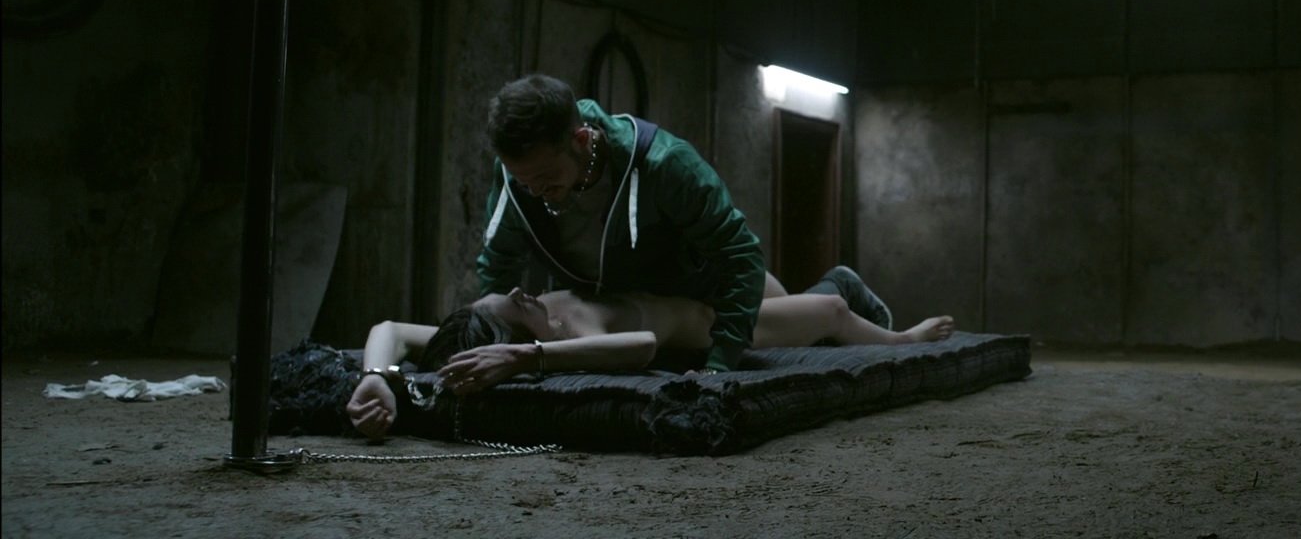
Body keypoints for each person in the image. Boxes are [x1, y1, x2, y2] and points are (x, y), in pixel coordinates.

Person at [470, 73, 891, 374]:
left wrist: (719, 364)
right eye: (524, 181)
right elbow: (498, 264)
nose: (535, 190)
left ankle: (840, 287)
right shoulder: (518, 177)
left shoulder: (665, 163)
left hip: (709, 292)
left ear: (581, 140)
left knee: (803, 323)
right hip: (650, 303)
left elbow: (739, 256)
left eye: (545, 178)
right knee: (795, 322)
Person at [344, 288, 955, 440]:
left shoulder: (511, 322)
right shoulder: (528, 331)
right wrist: (379, 377)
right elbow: (641, 345)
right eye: (518, 306)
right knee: (829, 309)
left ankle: (876, 316)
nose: (521, 293)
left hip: (706, 290)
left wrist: (376, 377)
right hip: (712, 320)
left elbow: (390, 331)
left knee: (816, 298)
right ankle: (889, 327)